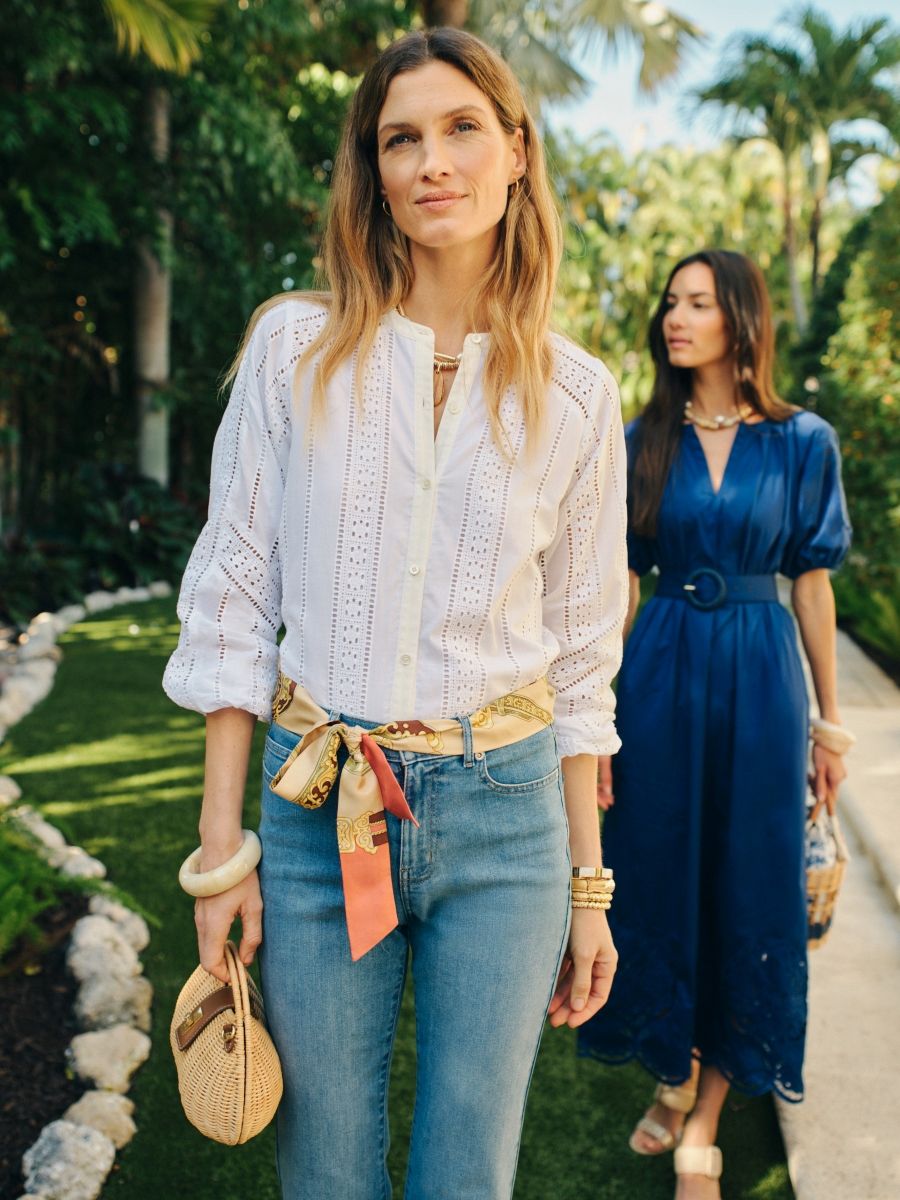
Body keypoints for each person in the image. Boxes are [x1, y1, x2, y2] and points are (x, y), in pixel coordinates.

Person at [163, 27, 629, 1200]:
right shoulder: (294, 349)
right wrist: (221, 858)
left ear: (517, 152)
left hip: (507, 818)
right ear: (373, 173)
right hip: (318, 807)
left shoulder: (579, 395)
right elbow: (234, 597)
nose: (432, 162)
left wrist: (589, 891)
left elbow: (583, 665)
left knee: (468, 1172)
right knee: (324, 1169)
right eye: (399, 139)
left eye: (463, 128)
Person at [578, 250, 852, 1200]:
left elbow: (811, 586)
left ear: (741, 318)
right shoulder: (639, 438)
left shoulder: (803, 441)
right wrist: (594, 714)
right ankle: (672, 1070)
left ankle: (703, 1121)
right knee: (658, 867)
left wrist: (829, 728)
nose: (675, 317)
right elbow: (617, 583)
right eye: (670, 302)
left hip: (762, 679)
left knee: (749, 882)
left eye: (697, 302)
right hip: (658, 673)